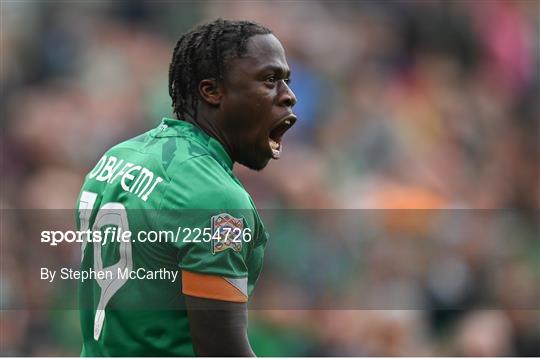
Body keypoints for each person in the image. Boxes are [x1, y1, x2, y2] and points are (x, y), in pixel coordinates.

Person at [76, 19, 297, 356]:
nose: (289, 96)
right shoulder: (215, 197)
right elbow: (221, 350)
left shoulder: (117, 157)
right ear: (212, 91)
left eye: (286, 81)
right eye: (269, 80)